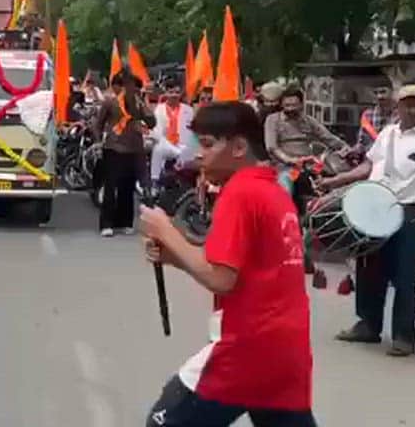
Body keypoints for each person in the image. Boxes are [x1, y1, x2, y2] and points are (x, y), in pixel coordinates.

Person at [139, 101, 315, 426]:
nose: (198, 155)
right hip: (287, 350)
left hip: (246, 346)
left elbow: (221, 278)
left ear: (238, 147)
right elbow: (247, 269)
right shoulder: (273, 190)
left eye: (207, 145)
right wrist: (174, 256)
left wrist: (166, 230)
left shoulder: (241, 193)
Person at [322, 83, 415, 357]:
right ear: (398, 106)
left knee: (404, 276)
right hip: (375, 206)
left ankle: (404, 336)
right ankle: (368, 325)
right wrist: (335, 180)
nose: (413, 108)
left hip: (408, 211)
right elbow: (369, 166)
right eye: (408, 103)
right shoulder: (387, 133)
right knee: (369, 268)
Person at [264, 86, 347, 212]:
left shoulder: (308, 121)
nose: (290, 108)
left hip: (309, 166)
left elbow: (329, 138)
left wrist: (347, 149)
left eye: (294, 105)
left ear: (301, 104)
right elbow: (272, 147)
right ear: (281, 105)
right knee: (285, 184)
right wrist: (290, 160)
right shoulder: (273, 120)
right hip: (285, 167)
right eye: (287, 105)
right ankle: (283, 216)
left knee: (336, 181)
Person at [93, 73, 155, 237]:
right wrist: (99, 142)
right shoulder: (110, 102)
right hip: (113, 148)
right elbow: (98, 124)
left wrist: (144, 105)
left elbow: (152, 122)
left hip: (134, 149)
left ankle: (125, 222)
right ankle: (106, 224)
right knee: (110, 187)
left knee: (127, 188)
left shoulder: (138, 104)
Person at [150, 78, 195, 186]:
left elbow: (192, 132)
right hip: (167, 146)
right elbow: (157, 132)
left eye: (177, 92)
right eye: (171, 92)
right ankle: (154, 182)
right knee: (158, 149)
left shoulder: (188, 110)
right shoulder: (159, 109)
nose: (174, 95)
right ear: (165, 93)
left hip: (183, 146)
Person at [356, 83, 396, 152]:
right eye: (375, 93)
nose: (379, 96)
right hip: (373, 158)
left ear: (392, 92)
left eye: (383, 92)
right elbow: (362, 143)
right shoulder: (367, 115)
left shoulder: (401, 115)